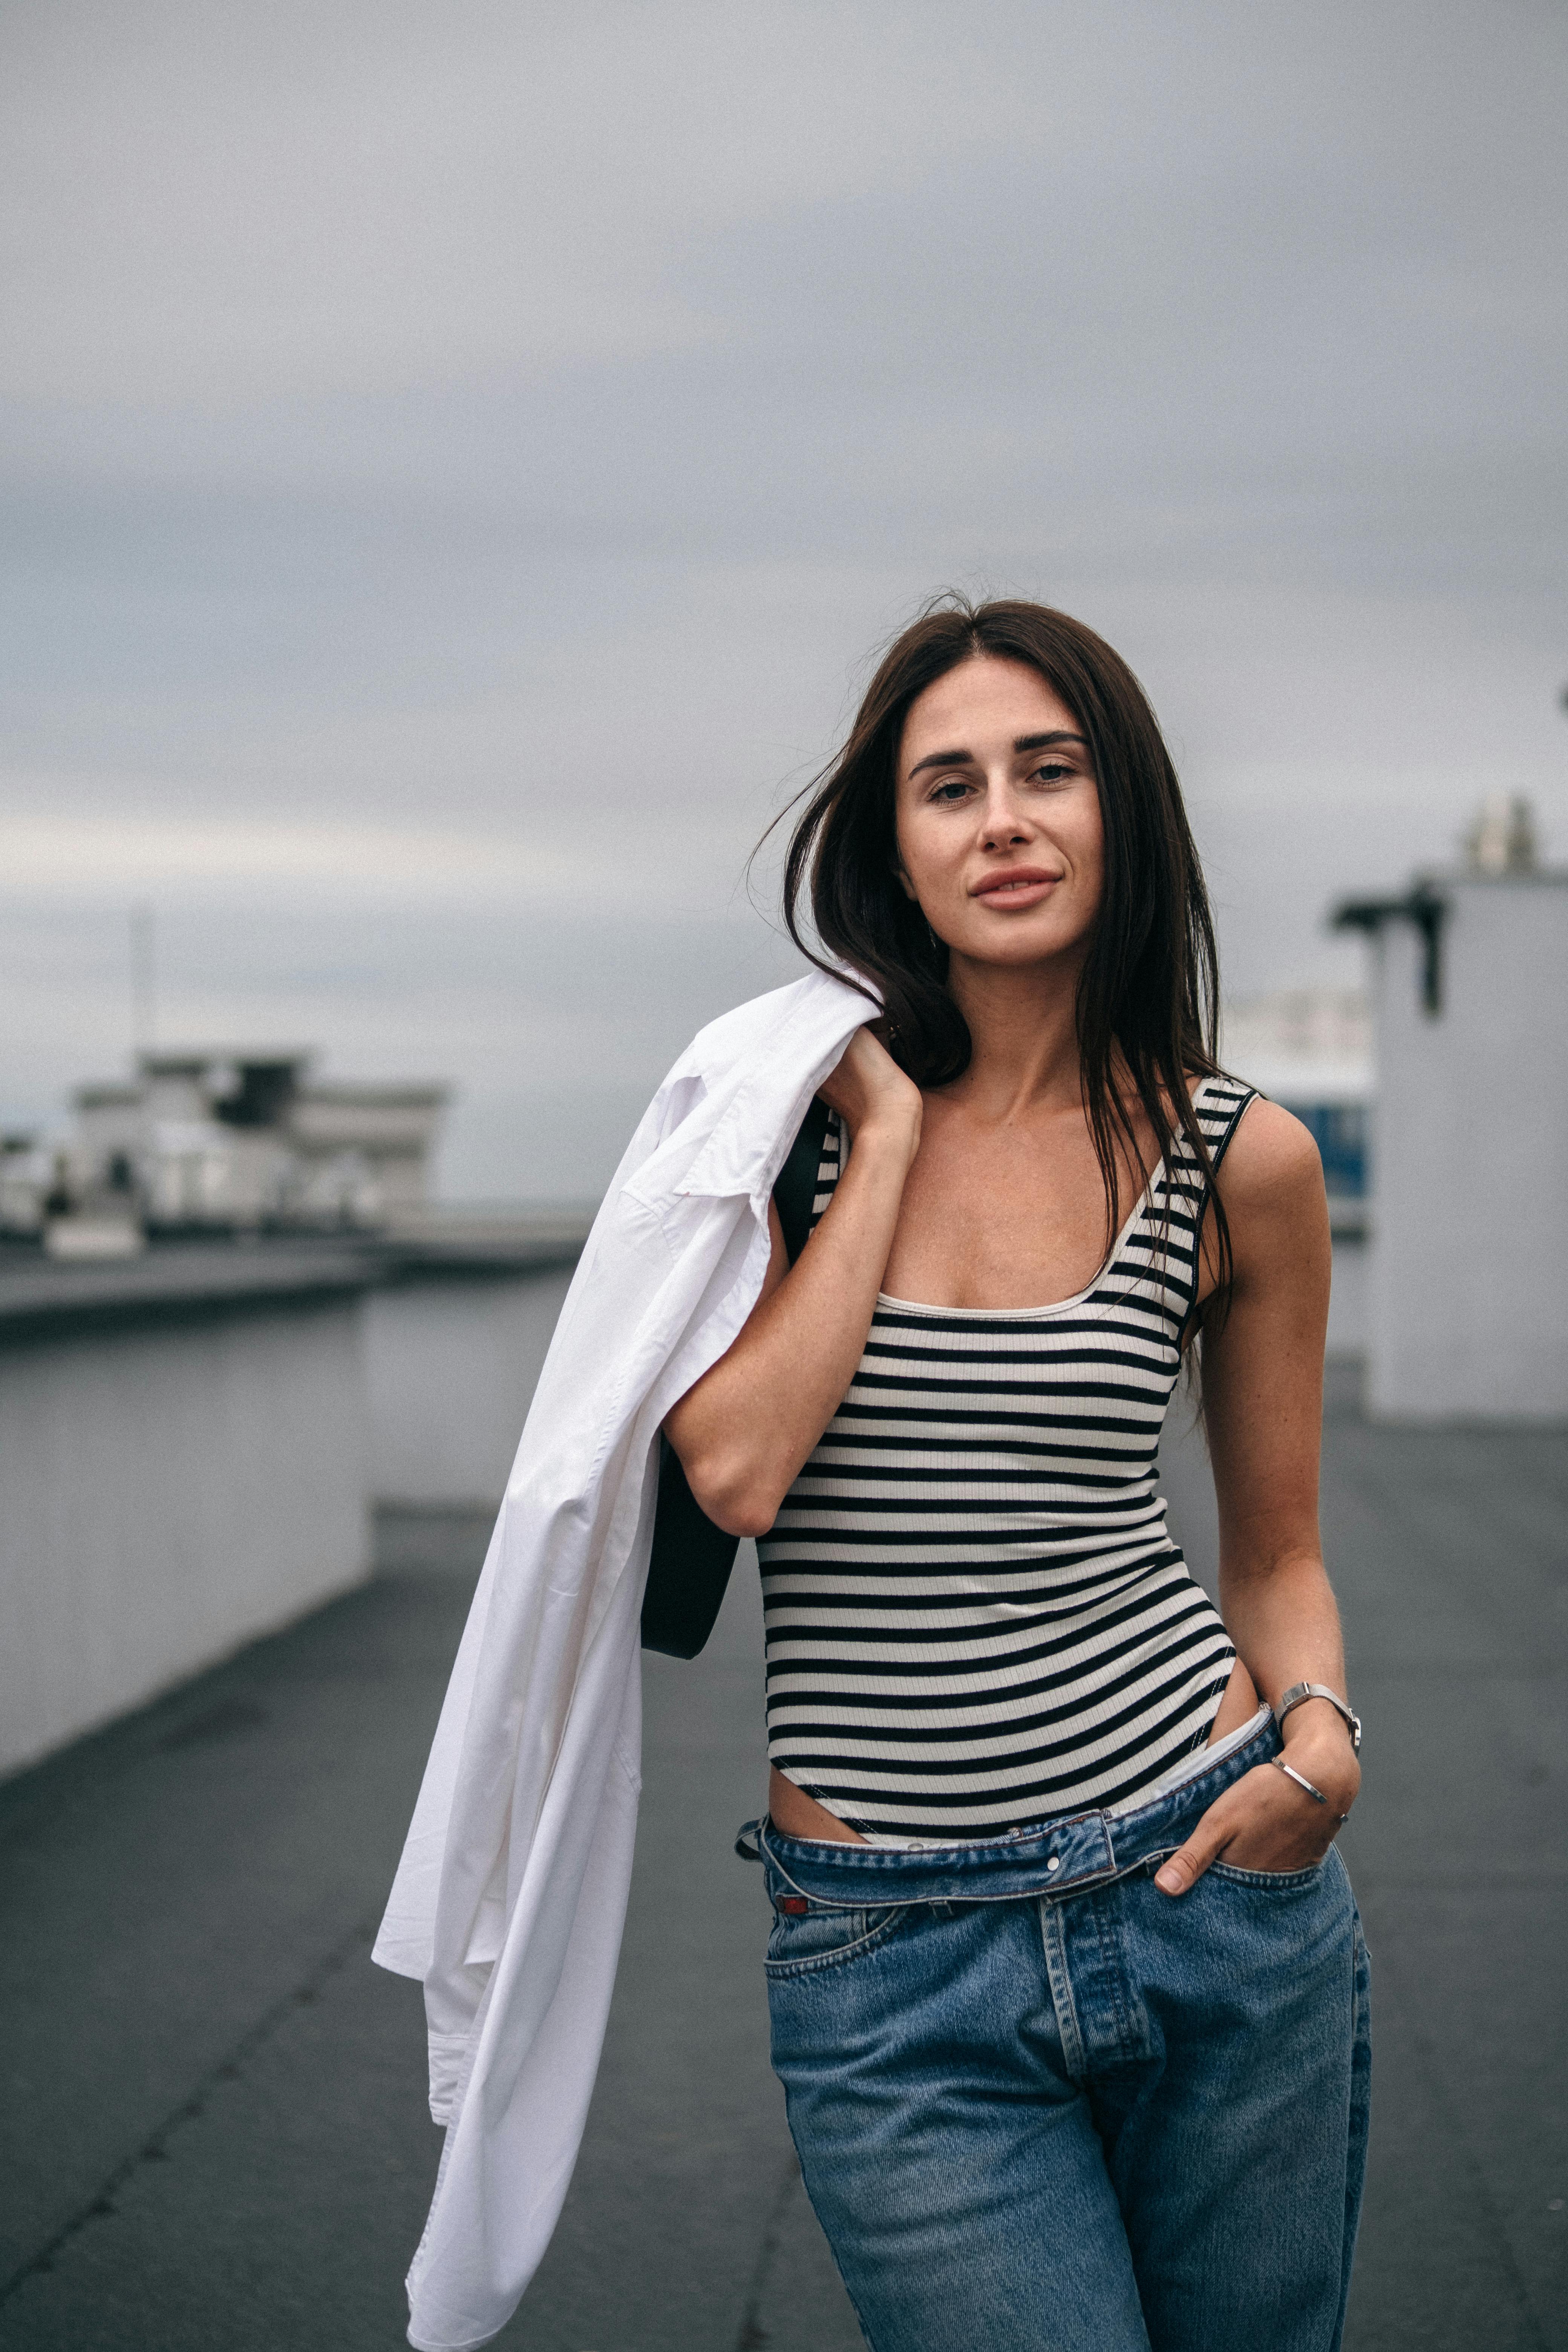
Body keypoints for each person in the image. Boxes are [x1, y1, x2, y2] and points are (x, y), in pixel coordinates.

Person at [663, 597, 1369, 2352]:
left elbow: (1274, 1550)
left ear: (1117, 809)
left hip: (1208, 1883)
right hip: (892, 1967)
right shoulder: (788, 1139)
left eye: (1047, 771)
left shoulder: (1238, 1159)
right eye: (947, 785)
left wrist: (1323, 1747)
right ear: (892, 853)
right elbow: (734, 1470)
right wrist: (888, 1135)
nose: (1002, 820)